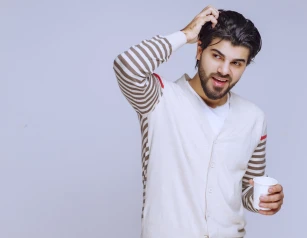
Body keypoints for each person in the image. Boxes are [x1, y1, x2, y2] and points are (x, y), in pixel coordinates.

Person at [112, 5, 284, 238]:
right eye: (217, 56)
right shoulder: (159, 100)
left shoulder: (253, 118)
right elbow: (127, 66)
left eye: (236, 63)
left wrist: (265, 199)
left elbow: (246, 190)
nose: (224, 71)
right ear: (199, 50)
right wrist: (186, 34)